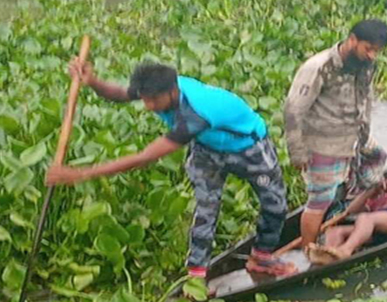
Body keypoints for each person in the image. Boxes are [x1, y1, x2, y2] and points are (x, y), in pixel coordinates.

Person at [46, 59, 297, 278]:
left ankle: (262, 258)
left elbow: (144, 157)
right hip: (207, 149)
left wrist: (80, 174)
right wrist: (93, 82)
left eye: (153, 100)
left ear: (172, 92)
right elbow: (121, 94)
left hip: (248, 147)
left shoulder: (195, 114)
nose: (148, 106)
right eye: (144, 99)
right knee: (206, 208)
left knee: (275, 205)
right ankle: (196, 274)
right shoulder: (156, 88)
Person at [284, 19, 387, 247]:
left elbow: (366, 99)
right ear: (352, 40)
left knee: (376, 159)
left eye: (377, 51)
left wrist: (364, 133)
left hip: (354, 138)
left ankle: (343, 222)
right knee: (319, 201)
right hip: (323, 143)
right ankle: (309, 250)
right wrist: (297, 151)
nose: (372, 55)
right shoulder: (319, 67)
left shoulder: (365, 65)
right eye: (368, 49)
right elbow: (293, 109)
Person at [307, 168, 387, 264]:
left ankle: (345, 251)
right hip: (377, 227)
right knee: (336, 231)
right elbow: (351, 211)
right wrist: (372, 190)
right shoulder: (381, 193)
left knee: (365, 218)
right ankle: (327, 258)